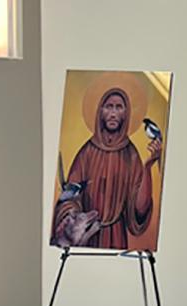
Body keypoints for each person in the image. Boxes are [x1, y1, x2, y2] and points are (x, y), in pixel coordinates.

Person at [52, 87, 160, 249]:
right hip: (86, 236)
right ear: (100, 111)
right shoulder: (86, 152)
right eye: (109, 107)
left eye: (118, 107)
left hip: (116, 238)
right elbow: (69, 197)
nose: (113, 113)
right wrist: (73, 218)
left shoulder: (131, 155)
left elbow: (139, 210)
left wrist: (148, 167)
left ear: (126, 114)